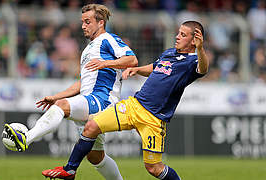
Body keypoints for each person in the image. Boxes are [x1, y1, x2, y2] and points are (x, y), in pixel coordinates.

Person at [42, 21, 209, 179]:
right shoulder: (170, 53)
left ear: (194, 41)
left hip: (153, 118)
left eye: (183, 35)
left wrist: (200, 49)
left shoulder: (192, 61)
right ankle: (69, 169)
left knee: (154, 168)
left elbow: (203, 69)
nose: (177, 36)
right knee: (91, 127)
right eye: (178, 33)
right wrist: (136, 69)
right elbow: (154, 68)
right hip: (133, 106)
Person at [4, 3, 138, 180]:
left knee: (62, 107)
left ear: (100, 23)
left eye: (87, 21)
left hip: (102, 100)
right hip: (90, 98)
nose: (83, 26)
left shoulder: (108, 39)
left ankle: (26, 138)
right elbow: (82, 84)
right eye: (82, 22)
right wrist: (56, 96)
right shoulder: (88, 49)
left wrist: (105, 63)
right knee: (95, 157)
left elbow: (132, 59)